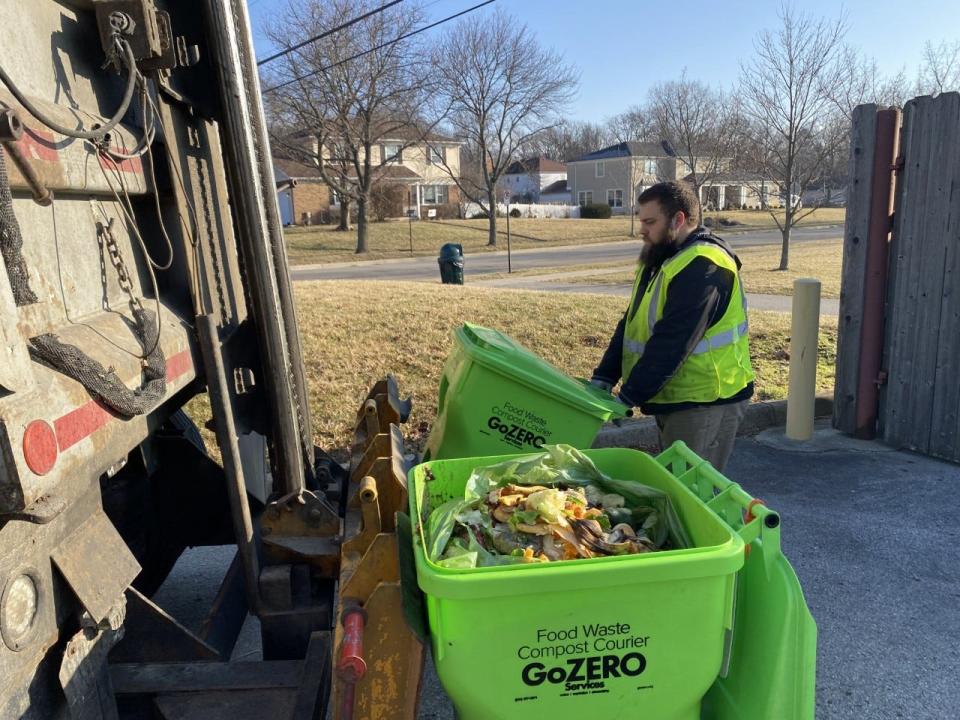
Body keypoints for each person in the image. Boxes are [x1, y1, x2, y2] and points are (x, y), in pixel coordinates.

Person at [590, 182, 754, 471]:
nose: (643, 230)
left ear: (678, 220)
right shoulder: (661, 259)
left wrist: (629, 396)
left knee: (693, 494)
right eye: (641, 221)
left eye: (650, 222)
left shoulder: (704, 266)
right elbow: (631, 322)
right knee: (678, 487)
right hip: (677, 396)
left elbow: (673, 341)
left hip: (706, 401)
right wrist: (605, 374)